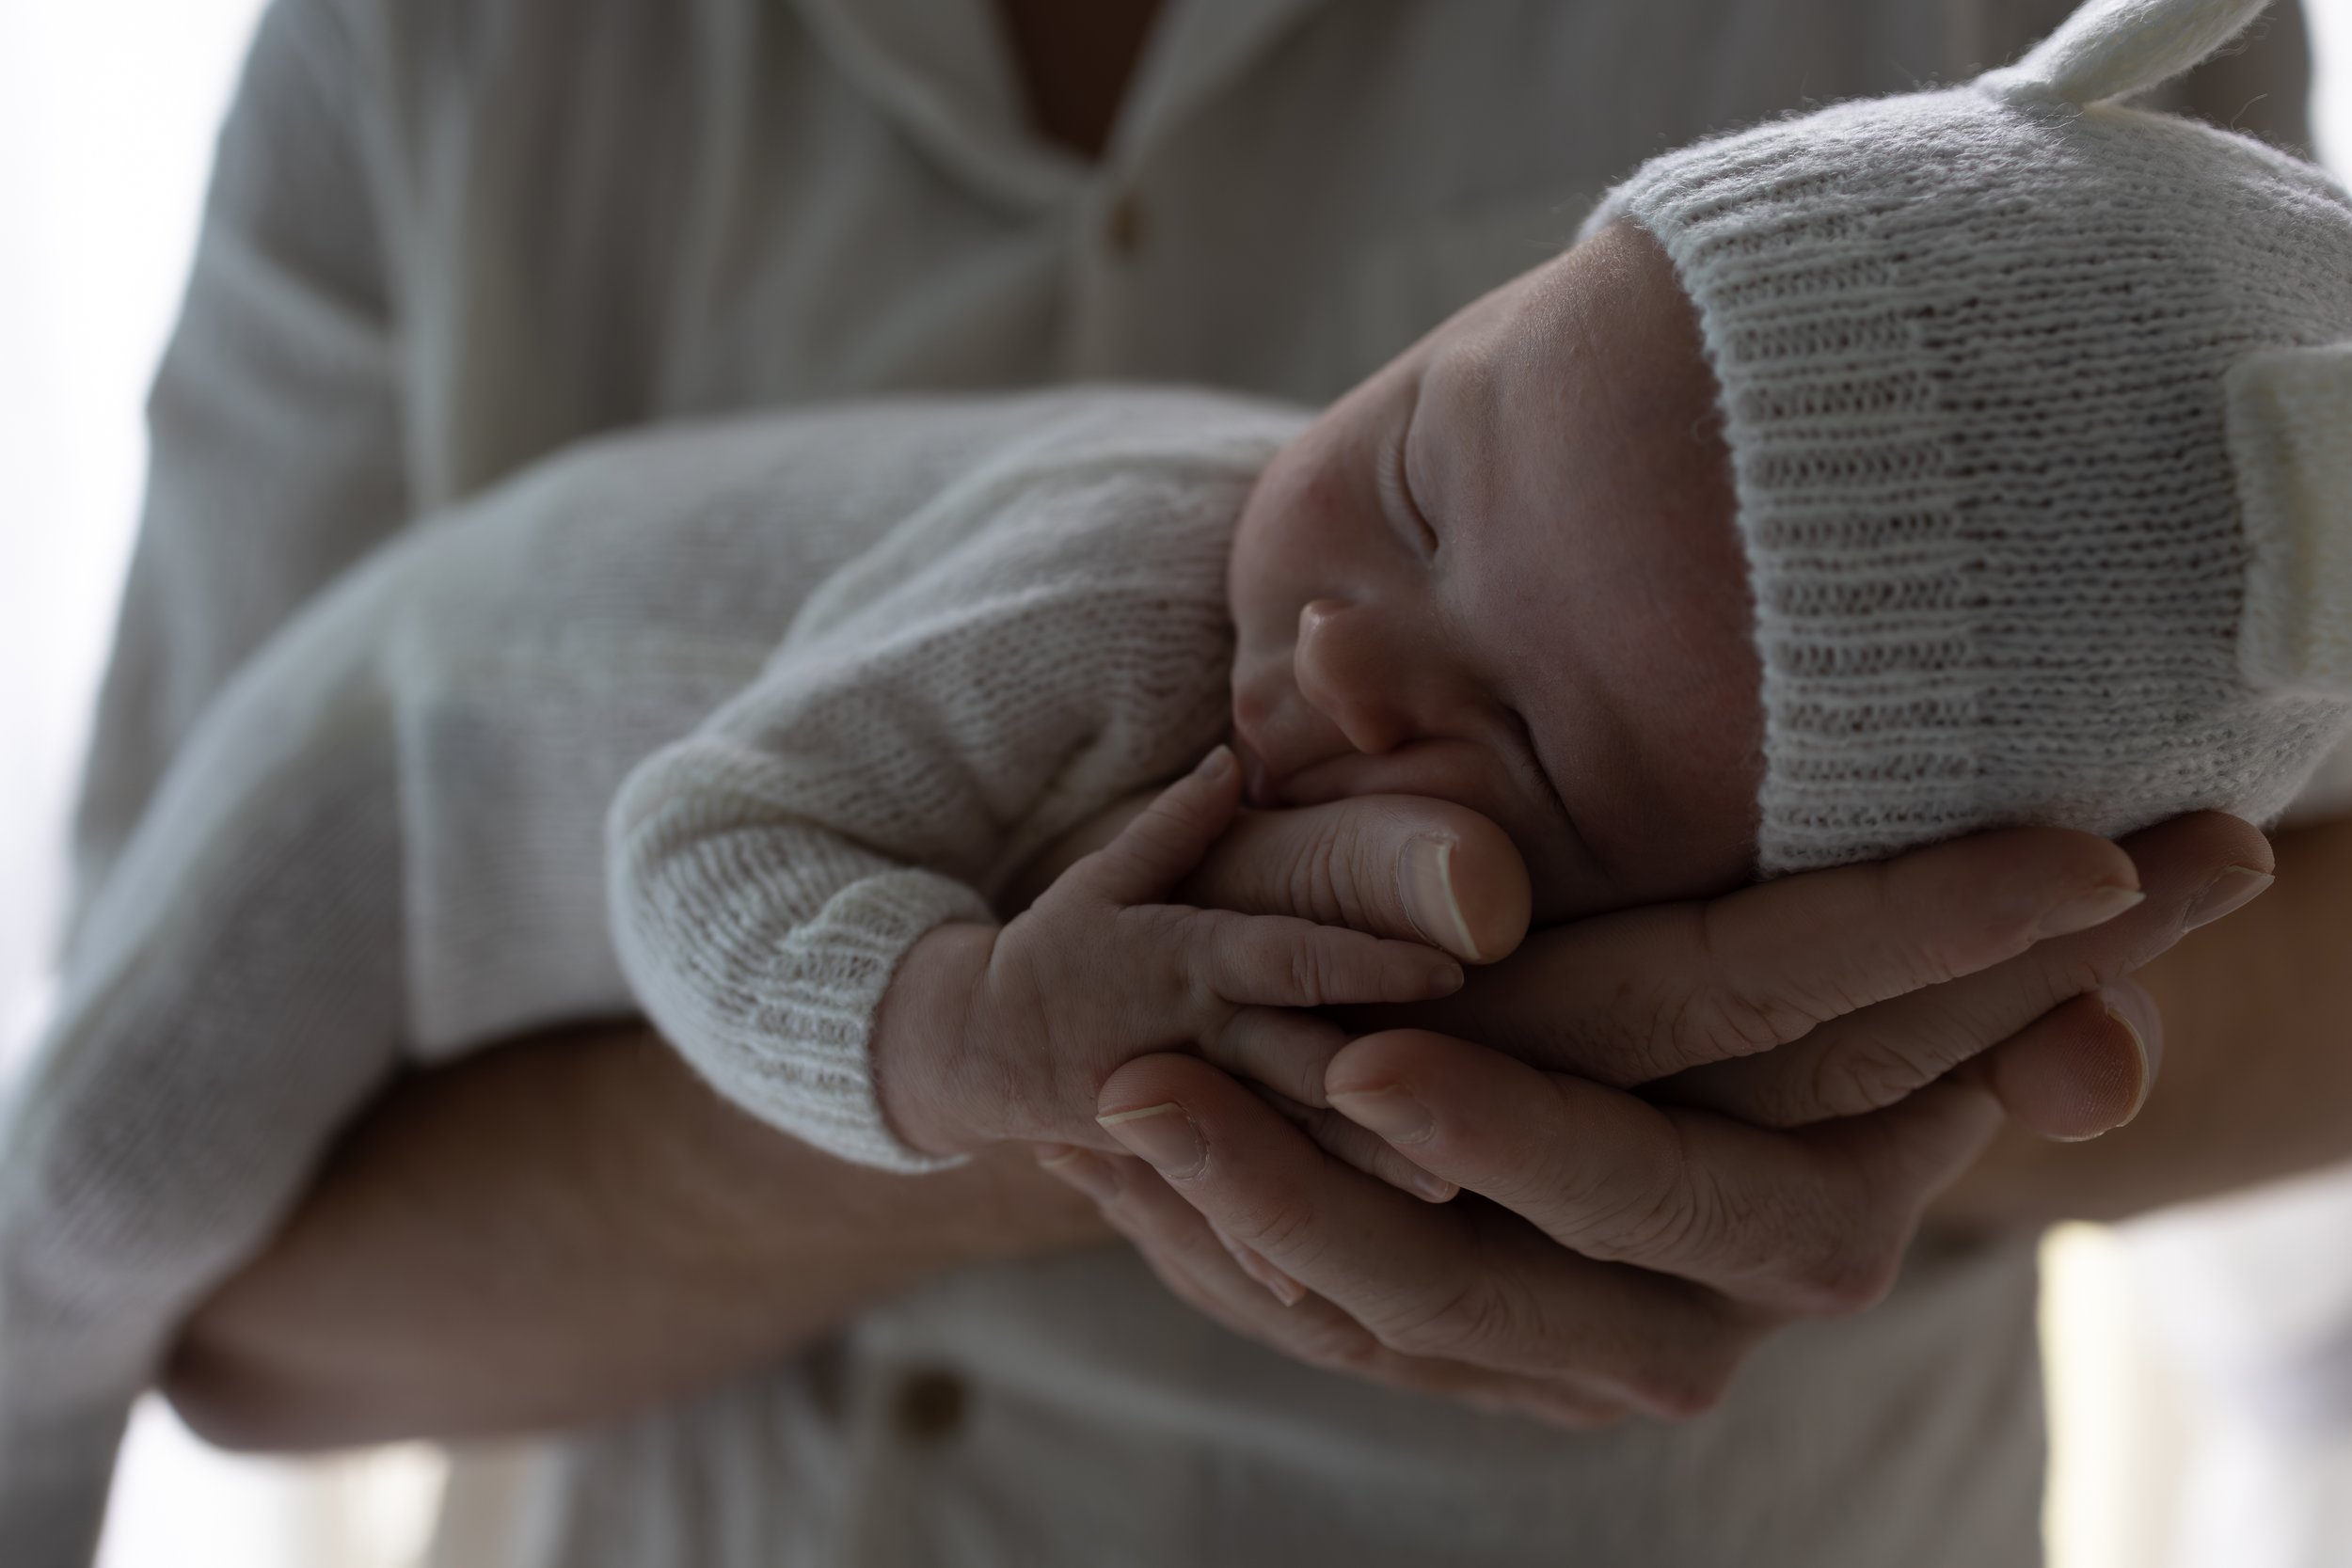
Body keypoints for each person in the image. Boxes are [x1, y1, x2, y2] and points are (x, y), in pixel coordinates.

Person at [47, 1, 2339, 1564]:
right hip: (376, 792)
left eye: (1526, 744)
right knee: (73, 1212)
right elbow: (679, 858)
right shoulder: (1092, 596)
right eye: (1427, 469)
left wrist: (1894, 1078)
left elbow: (2285, 903)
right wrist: (974, 1048)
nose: (1344, 654)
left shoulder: (2144, 284)